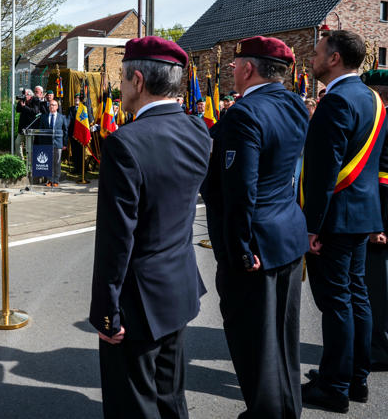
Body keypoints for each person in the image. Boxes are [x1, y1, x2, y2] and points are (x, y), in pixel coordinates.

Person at [90, 36, 210, 418]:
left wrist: (107, 310)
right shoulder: (197, 130)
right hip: (179, 286)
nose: (120, 87)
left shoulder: (126, 143)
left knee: (133, 404)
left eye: (122, 79)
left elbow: (116, 239)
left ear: (137, 81)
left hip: (137, 301)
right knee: (170, 397)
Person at [201, 36, 309, 418]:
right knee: (283, 341)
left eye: (236, 65)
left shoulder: (244, 114)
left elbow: (239, 192)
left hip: (256, 247)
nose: (232, 70)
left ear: (249, 69)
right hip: (288, 238)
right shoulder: (295, 103)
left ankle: (266, 413)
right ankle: (285, 410)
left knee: (253, 345)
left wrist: (241, 250)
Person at [299, 30, 386, 413]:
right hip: (362, 214)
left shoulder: (335, 102)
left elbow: (322, 171)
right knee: (357, 299)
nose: (312, 58)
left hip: (334, 219)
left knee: (337, 304)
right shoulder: (373, 98)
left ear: (334, 59)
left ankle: (334, 386)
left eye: (317, 52)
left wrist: (311, 225)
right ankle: (356, 378)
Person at [362, 68, 388, 371]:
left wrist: (379, 225)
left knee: (379, 289)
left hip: (382, 218)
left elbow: (383, 178)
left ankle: (380, 350)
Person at [37, 99, 68, 187]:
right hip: (46, 143)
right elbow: (41, 131)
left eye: (53, 105)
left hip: (58, 143)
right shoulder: (44, 117)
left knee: (57, 162)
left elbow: (65, 131)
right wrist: (41, 143)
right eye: (50, 105)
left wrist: (65, 144)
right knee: (48, 162)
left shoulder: (62, 117)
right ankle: (49, 180)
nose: (51, 106)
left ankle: (56, 180)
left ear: (57, 107)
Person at [15, 89, 39, 159]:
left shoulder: (35, 100)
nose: (24, 96)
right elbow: (18, 110)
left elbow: (35, 111)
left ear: (30, 95)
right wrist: (20, 102)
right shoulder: (23, 100)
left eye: (25, 95)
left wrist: (24, 107)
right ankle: (20, 160)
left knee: (29, 146)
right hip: (22, 127)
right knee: (17, 142)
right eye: (23, 94)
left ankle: (29, 162)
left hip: (31, 126)